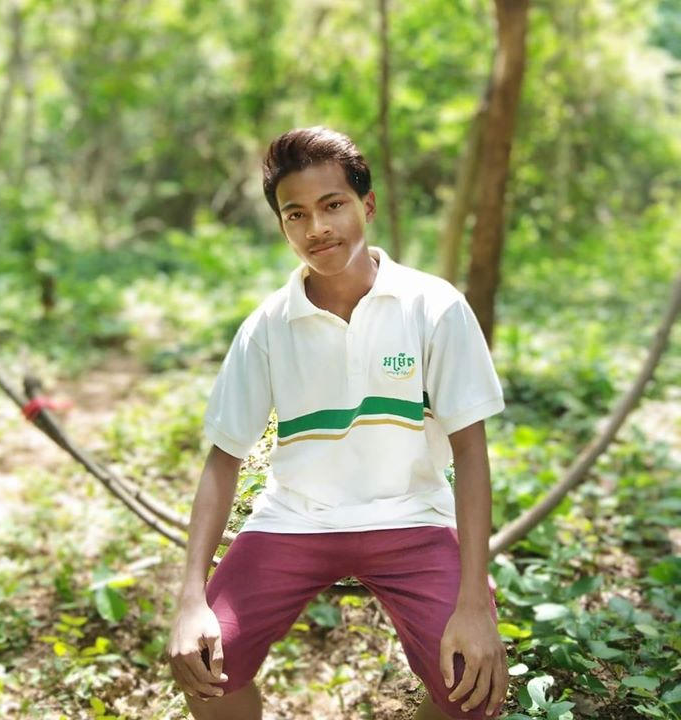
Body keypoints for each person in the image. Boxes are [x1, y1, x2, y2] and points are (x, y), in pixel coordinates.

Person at [166, 126, 510, 720]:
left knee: (471, 686)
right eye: (296, 214)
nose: (317, 228)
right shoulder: (268, 326)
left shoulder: (434, 307)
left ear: (366, 205)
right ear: (282, 226)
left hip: (412, 516)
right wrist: (190, 597)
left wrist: (474, 600)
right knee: (204, 668)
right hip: (294, 519)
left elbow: (472, 454)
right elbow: (223, 460)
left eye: (333, 205)